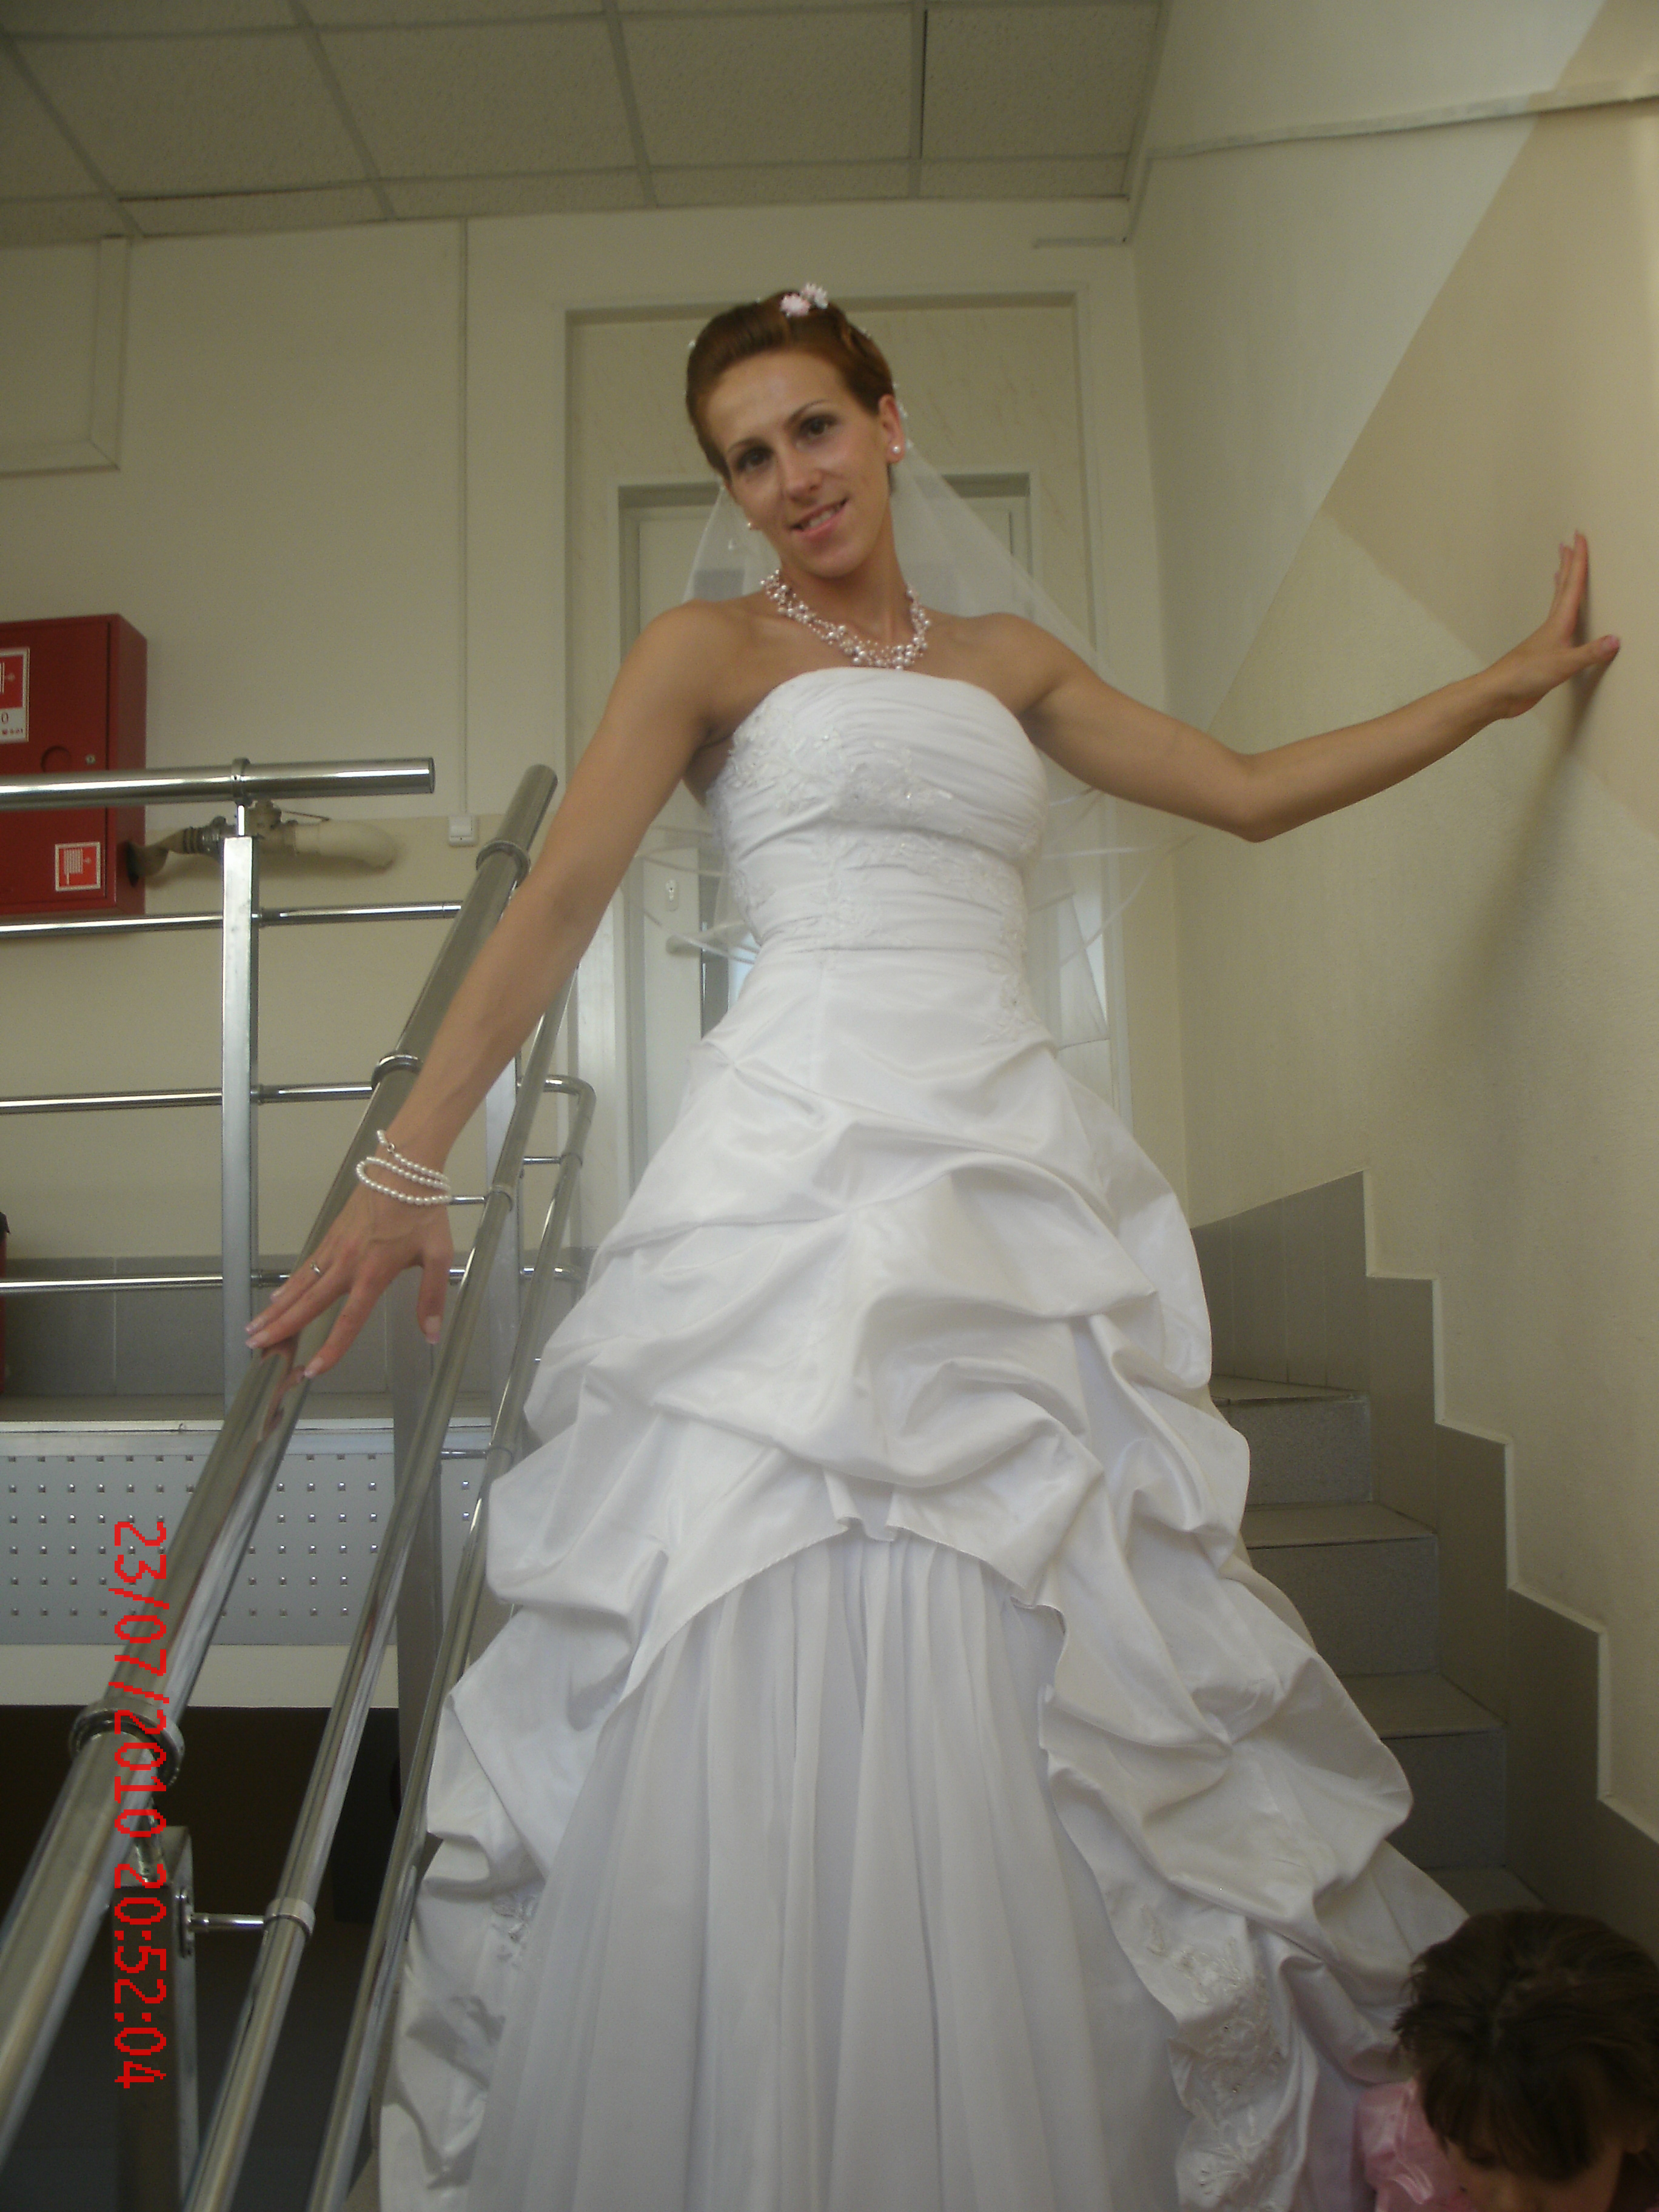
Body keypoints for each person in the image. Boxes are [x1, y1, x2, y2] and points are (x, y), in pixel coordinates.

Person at [249, 291, 1620, 2212]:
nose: (788, 479)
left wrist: (1495, 691)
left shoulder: (1009, 662)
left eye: (814, 429)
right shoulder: (704, 650)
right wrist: (410, 1160)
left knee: (1050, 1577)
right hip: (795, 1151)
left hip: (995, 1153)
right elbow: (558, 900)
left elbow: (1243, 791)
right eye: (747, 455)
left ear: (887, 425)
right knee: (759, 1559)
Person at [1358, 1909, 1659, 2212]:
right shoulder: (1425, 2160)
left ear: (1638, 2121)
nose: (1512, 2204)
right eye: (1480, 2159)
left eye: (1553, 2171)